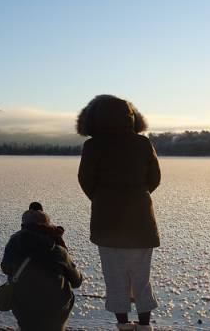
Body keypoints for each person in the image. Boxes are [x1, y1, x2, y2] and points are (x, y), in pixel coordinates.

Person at [77, 95, 161, 331]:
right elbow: (154, 179)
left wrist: (103, 200)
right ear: (130, 116)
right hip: (141, 222)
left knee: (114, 279)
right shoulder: (142, 143)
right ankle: (144, 326)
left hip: (107, 224)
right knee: (141, 279)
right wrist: (137, 197)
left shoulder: (93, 145)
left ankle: (123, 326)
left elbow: (85, 180)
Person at [1, 203, 83, 331]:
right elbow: (77, 282)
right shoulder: (59, 250)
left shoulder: (14, 244)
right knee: (67, 291)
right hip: (55, 312)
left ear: (23, 226)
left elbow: (5, 268)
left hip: (24, 310)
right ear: (48, 227)